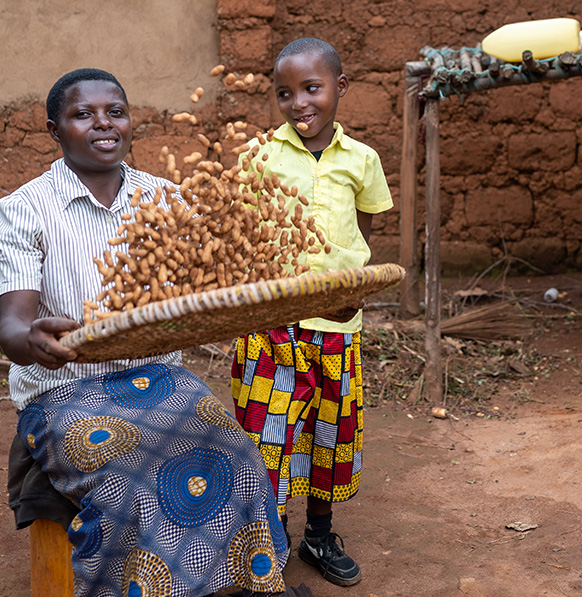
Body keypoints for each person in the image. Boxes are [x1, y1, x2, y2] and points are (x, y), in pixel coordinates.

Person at [0, 67, 308, 597]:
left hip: (156, 375)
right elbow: (12, 324)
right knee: (129, 482)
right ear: (54, 130)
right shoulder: (25, 209)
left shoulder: (165, 199)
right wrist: (34, 340)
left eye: (115, 112)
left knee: (240, 456)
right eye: (82, 114)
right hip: (65, 389)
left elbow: (211, 287)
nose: (104, 124)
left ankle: (237, 585)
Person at [231, 38, 394, 587]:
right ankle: (271, 547)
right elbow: (243, 239)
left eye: (312, 89)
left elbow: (361, 237)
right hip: (271, 330)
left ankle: (318, 535)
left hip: (336, 329)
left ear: (340, 89)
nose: (299, 102)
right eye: (285, 93)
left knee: (328, 432)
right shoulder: (259, 157)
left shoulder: (362, 161)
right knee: (269, 438)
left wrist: (350, 287)